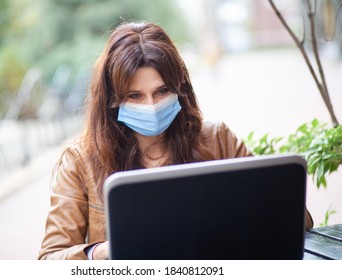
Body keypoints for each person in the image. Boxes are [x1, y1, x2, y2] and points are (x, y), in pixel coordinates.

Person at [38, 21, 313, 260]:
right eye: (135, 96)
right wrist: (103, 251)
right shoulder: (79, 161)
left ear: (180, 89)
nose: (151, 105)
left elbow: (298, 220)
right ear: (112, 99)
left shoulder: (218, 139)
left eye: (162, 91)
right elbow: (51, 257)